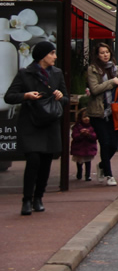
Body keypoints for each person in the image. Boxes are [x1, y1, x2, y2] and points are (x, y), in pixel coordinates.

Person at [3, 41, 69, 216]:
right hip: (31, 122)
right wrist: (26, 95)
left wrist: (60, 96)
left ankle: (38, 197)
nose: (55, 57)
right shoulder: (25, 74)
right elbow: (9, 96)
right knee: (33, 161)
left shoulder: (57, 73)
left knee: (46, 162)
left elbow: (66, 98)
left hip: (50, 122)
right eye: (52, 53)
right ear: (42, 55)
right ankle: (26, 199)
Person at [85, 42, 118, 187]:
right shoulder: (92, 69)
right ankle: (109, 174)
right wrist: (113, 82)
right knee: (105, 142)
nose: (105, 55)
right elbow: (94, 89)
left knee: (113, 144)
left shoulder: (116, 69)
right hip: (98, 112)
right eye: (102, 53)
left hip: (115, 111)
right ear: (97, 55)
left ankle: (102, 165)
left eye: (107, 52)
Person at [70, 113, 98, 181]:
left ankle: (87, 175)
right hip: (79, 147)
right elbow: (74, 136)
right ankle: (79, 173)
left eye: (88, 116)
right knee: (79, 161)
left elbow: (95, 137)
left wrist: (89, 134)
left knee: (88, 161)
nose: (87, 118)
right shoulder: (77, 127)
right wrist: (81, 134)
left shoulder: (93, 126)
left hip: (89, 148)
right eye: (84, 117)